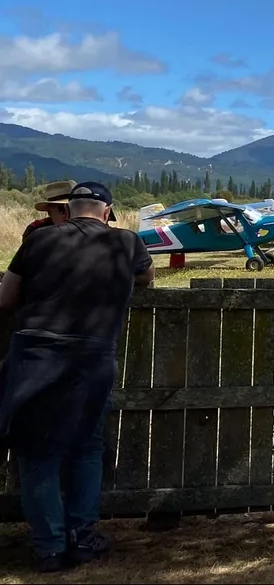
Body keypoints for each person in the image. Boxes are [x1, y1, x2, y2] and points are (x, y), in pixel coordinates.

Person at [0, 181, 154, 572]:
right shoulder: (128, 243)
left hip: (37, 351)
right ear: (108, 211)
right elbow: (146, 278)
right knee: (87, 446)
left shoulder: (39, 241)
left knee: (38, 453)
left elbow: (6, 297)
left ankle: (50, 548)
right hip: (93, 353)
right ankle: (83, 538)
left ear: (67, 210)